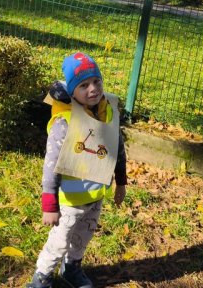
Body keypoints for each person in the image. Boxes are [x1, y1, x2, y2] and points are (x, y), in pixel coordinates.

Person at [27, 52, 127, 288]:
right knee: (60, 241)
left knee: (83, 237)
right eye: (84, 85)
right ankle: (42, 277)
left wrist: (121, 182)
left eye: (97, 81)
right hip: (70, 200)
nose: (93, 89)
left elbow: (117, 147)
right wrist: (49, 204)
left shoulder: (107, 112)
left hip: (95, 195)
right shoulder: (65, 122)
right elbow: (51, 164)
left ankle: (71, 268)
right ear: (72, 91)